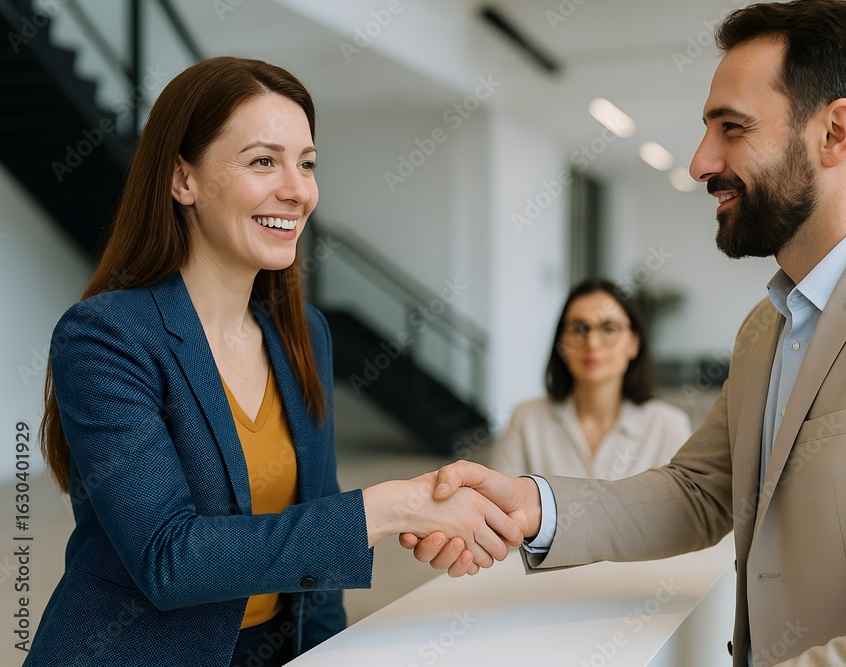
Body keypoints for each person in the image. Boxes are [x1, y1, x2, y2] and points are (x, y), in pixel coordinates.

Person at [404, 2, 846, 665]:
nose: (699, 162)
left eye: (732, 128)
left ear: (835, 132)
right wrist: (535, 506)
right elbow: (697, 491)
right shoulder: (767, 324)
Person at [30, 57, 519, 667]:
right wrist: (392, 506)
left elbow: (316, 535)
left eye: (307, 163)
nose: (298, 189)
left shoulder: (304, 335)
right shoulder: (106, 338)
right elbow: (168, 557)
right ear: (183, 180)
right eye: (263, 160)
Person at [488, 277, 691, 479]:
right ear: (562, 344)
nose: (592, 343)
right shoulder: (526, 419)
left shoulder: (669, 425)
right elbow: (496, 502)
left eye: (609, 328)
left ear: (633, 343)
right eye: (578, 329)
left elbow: (683, 509)